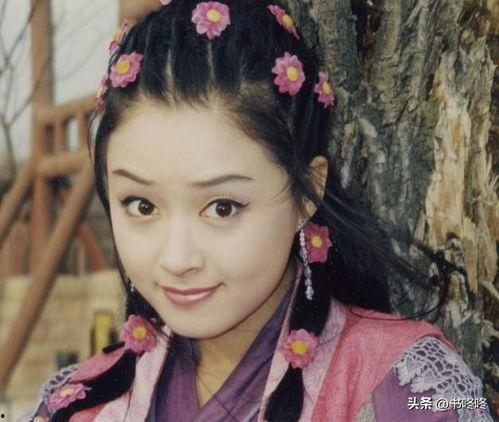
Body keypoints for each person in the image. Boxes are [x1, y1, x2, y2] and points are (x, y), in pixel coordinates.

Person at [25, 1, 493, 421]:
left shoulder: (413, 392)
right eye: (142, 205)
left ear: (307, 192)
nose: (177, 258)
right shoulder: (76, 404)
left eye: (222, 207)